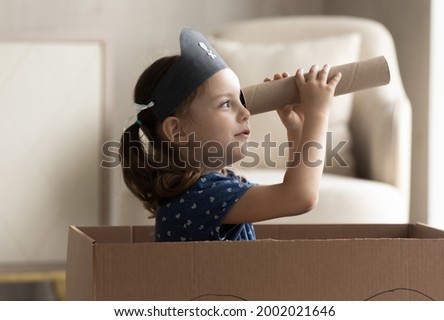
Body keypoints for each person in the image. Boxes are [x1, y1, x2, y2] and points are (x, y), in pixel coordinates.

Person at [120, 28, 341, 242]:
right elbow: (299, 197)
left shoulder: (211, 188)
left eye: (240, 101)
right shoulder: (203, 197)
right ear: (178, 131)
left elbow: (290, 191)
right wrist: (318, 113)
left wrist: (297, 129)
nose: (245, 112)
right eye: (226, 103)